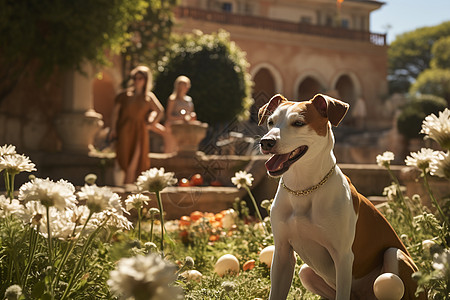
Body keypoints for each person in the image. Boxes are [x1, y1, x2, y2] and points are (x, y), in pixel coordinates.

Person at [110, 66, 165, 185]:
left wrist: (151, 124)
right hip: (124, 128)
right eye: (135, 78)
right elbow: (115, 113)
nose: (137, 81)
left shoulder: (148, 97)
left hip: (140, 130)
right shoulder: (124, 95)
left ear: (146, 80)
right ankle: (123, 185)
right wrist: (113, 129)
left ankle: (130, 185)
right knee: (124, 155)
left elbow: (160, 111)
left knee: (137, 157)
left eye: (140, 78)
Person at [163, 75, 197, 153]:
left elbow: (191, 113)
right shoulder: (172, 99)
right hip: (173, 128)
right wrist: (181, 118)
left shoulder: (189, 100)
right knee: (170, 151)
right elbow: (168, 116)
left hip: (186, 128)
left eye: (186, 85)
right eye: (183, 85)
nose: (185, 87)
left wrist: (191, 117)